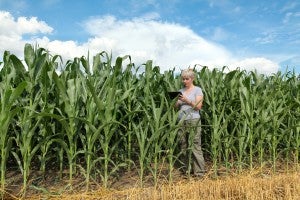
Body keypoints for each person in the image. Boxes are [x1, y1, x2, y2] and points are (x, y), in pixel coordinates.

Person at [175, 68, 205, 177]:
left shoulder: (198, 90)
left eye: (187, 79)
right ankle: (186, 170)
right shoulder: (180, 91)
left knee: (195, 145)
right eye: (183, 79)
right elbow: (175, 107)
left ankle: (199, 173)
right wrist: (175, 102)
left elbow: (198, 106)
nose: (184, 81)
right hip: (181, 121)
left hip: (193, 120)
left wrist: (186, 100)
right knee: (183, 145)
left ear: (192, 79)